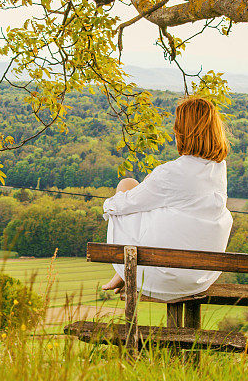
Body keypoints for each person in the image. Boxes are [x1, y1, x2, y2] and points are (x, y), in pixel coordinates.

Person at [100, 96, 233, 301]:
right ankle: (120, 273)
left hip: (164, 276)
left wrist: (107, 204)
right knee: (157, 206)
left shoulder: (170, 173)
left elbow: (125, 204)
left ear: (182, 132)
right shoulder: (219, 168)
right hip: (201, 276)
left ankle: (123, 271)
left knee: (127, 185)